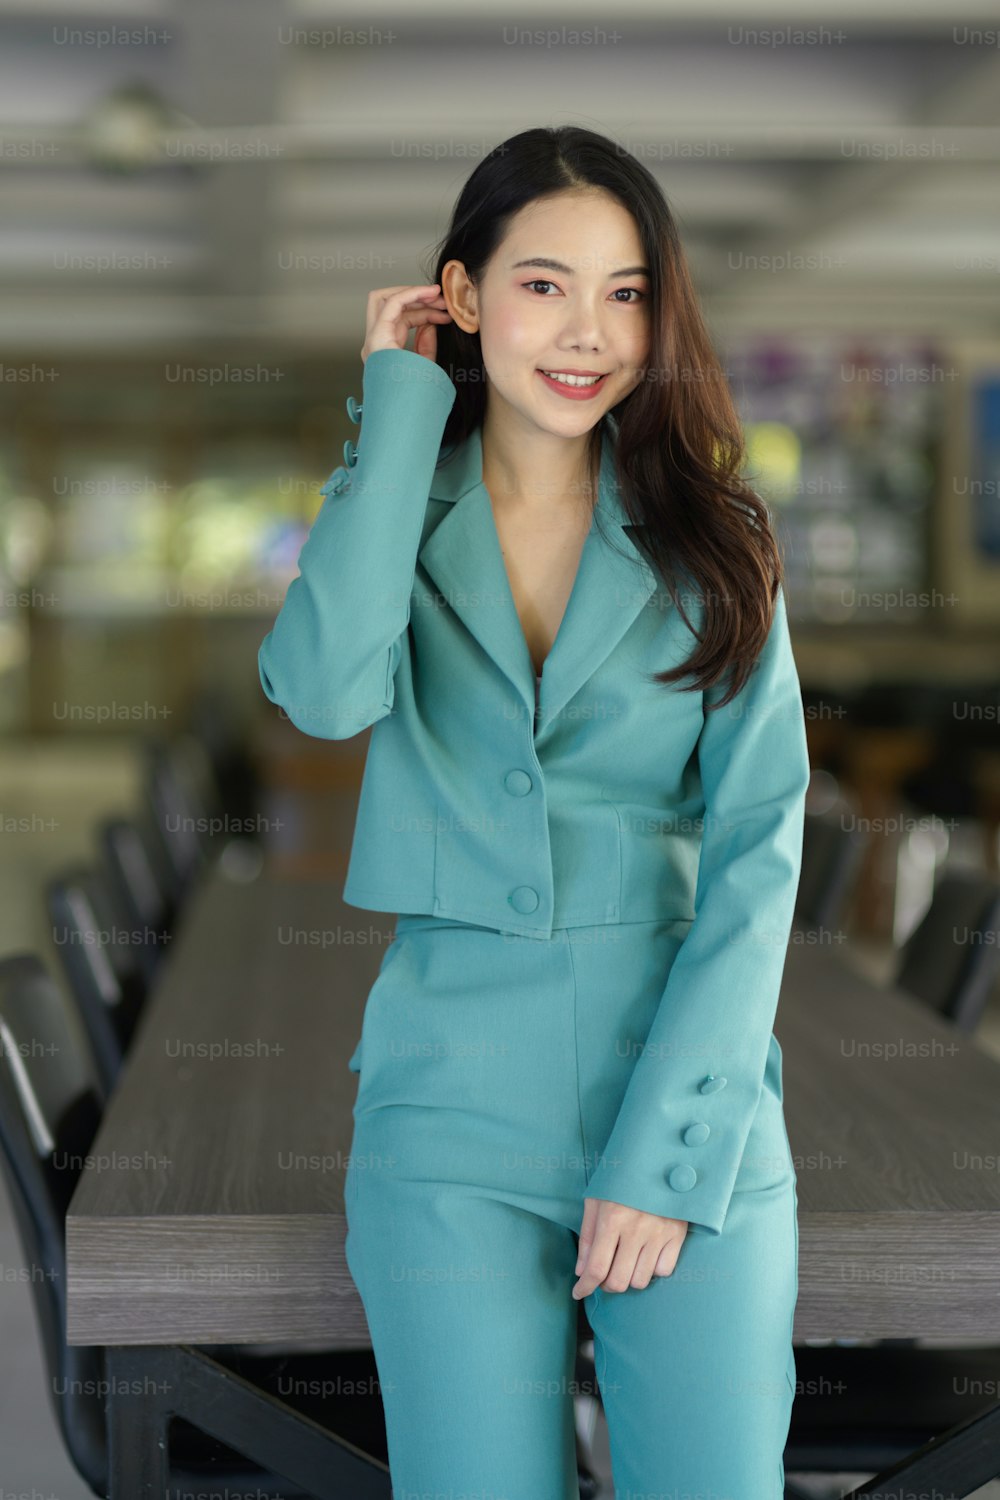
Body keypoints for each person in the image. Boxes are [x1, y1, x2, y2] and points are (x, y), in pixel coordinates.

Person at [258, 123, 811, 1500]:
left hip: (687, 1103)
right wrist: (395, 406)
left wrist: (669, 1155)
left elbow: (761, 847)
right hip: (447, 1119)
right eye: (545, 283)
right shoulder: (391, 504)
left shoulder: (717, 538)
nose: (588, 331)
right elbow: (323, 695)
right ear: (462, 293)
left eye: (626, 292)